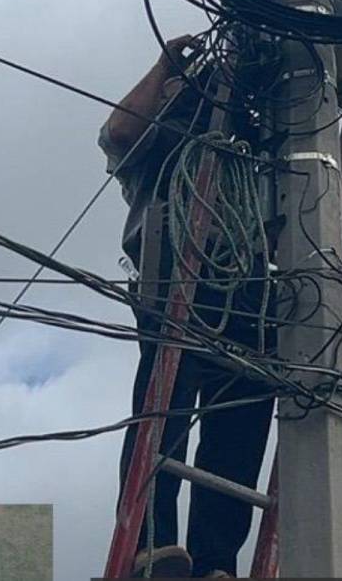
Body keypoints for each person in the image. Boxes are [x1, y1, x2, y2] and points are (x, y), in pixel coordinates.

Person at [99, 36, 275, 578]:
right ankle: (153, 543)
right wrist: (168, 67)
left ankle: (215, 561)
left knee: (240, 422)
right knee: (165, 403)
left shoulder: (257, 149)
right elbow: (117, 133)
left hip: (251, 288)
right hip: (174, 272)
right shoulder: (157, 147)